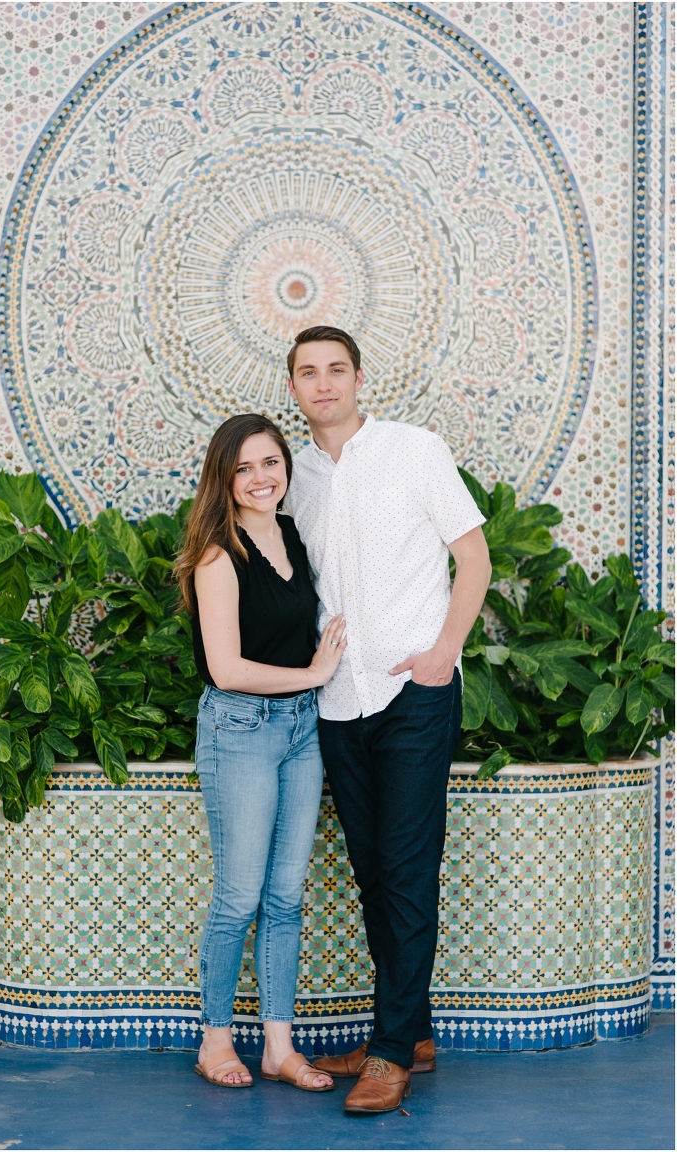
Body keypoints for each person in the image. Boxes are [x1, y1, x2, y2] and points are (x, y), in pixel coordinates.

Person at [283, 326, 492, 1115]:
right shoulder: (293, 474)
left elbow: (473, 558)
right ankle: (415, 1032)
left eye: (337, 369)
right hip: (340, 700)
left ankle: (391, 1052)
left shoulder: (415, 450)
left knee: (406, 868)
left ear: (359, 378)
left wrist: (444, 652)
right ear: (295, 387)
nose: (324, 383)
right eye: (309, 373)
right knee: (373, 870)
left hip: (414, 691)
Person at [175, 413, 347, 1092]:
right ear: (224, 478)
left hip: (301, 732)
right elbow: (227, 668)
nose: (258, 478)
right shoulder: (219, 555)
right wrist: (313, 673)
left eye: (269, 463)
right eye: (243, 468)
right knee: (239, 896)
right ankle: (216, 1041)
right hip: (241, 730)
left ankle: (279, 1047)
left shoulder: (293, 537)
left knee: (286, 897)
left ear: (286, 466)